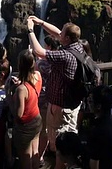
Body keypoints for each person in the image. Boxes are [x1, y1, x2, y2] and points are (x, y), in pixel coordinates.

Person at [26, 15, 85, 169]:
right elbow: (57, 33)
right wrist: (41, 22)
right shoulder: (77, 47)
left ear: (67, 38)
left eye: (62, 34)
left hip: (60, 108)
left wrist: (31, 29)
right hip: (72, 104)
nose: (59, 35)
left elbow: (39, 52)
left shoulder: (65, 56)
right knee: (70, 140)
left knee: (60, 145)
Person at [10, 49, 43, 169]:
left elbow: (18, 114)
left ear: (19, 65)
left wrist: (9, 94)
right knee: (35, 152)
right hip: (37, 119)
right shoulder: (38, 76)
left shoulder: (21, 89)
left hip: (25, 125)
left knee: (25, 158)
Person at [35, 35, 58, 163]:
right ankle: (50, 151)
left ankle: (39, 156)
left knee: (42, 128)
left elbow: (35, 77)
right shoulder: (60, 60)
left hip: (42, 99)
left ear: (48, 46)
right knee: (51, 127)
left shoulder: (40, 63)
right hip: (55, 99)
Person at [86, 85, 112, 169]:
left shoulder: (97, 130)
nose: (87, 102)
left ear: (98, 106)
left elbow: (94, 162)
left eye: (90, 101)